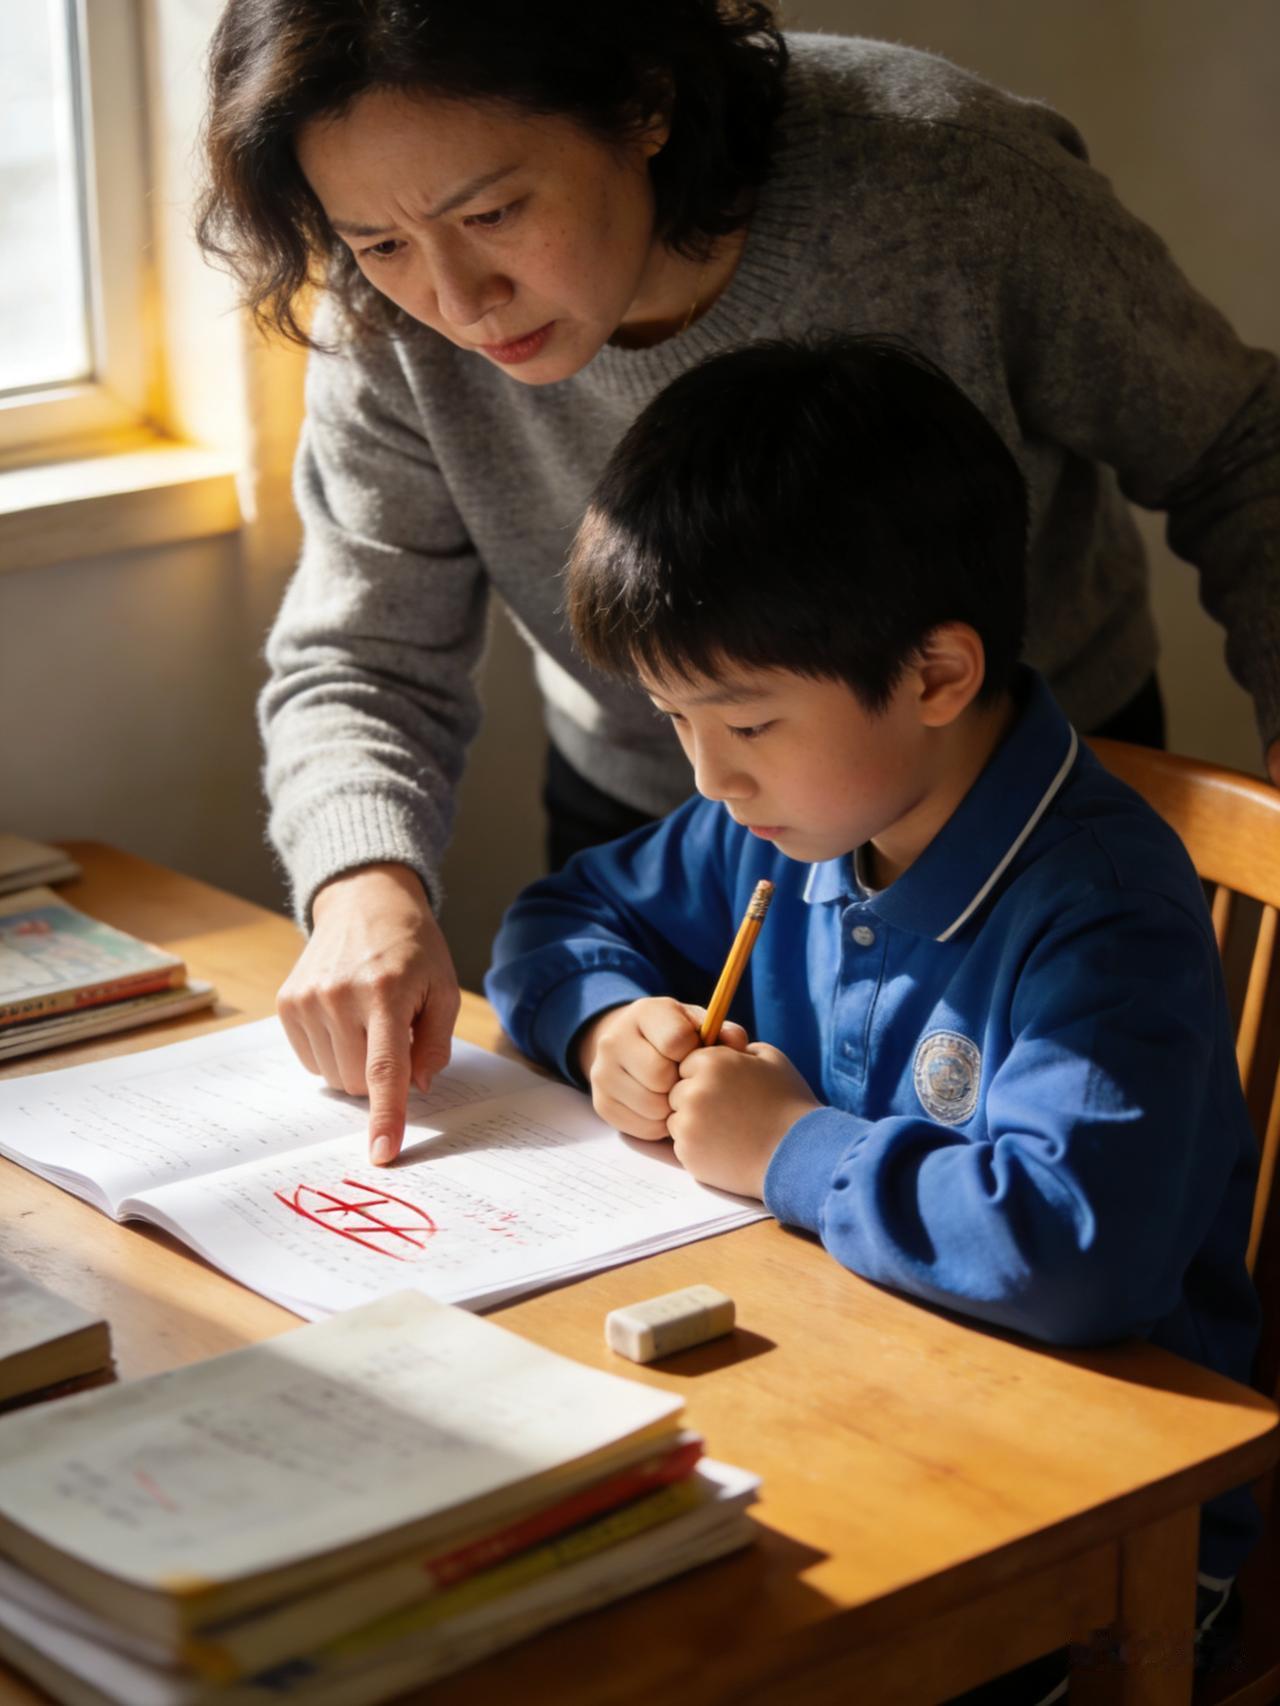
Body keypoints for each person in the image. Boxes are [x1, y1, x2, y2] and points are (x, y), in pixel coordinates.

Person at [196, 0, 1280, 1164]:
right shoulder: (388, 321)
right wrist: (363, 881)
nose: (457, 303)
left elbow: (1237, 449)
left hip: (1009, 803)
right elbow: (363, 648)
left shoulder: (943, 178)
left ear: (645, 101)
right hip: (674, 840)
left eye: (495, 212)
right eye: (379, 244)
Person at [483, 335, 1260, 1696]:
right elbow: (555, 924)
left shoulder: (1102, 905)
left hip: (1098, 1517)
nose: (710, 775)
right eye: (676, 719)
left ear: (938, 676)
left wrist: (788, 1143)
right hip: (859, 1400)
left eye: (747, 721)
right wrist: (613, 1027)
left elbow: (1075, 1250)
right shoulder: (790, 821)